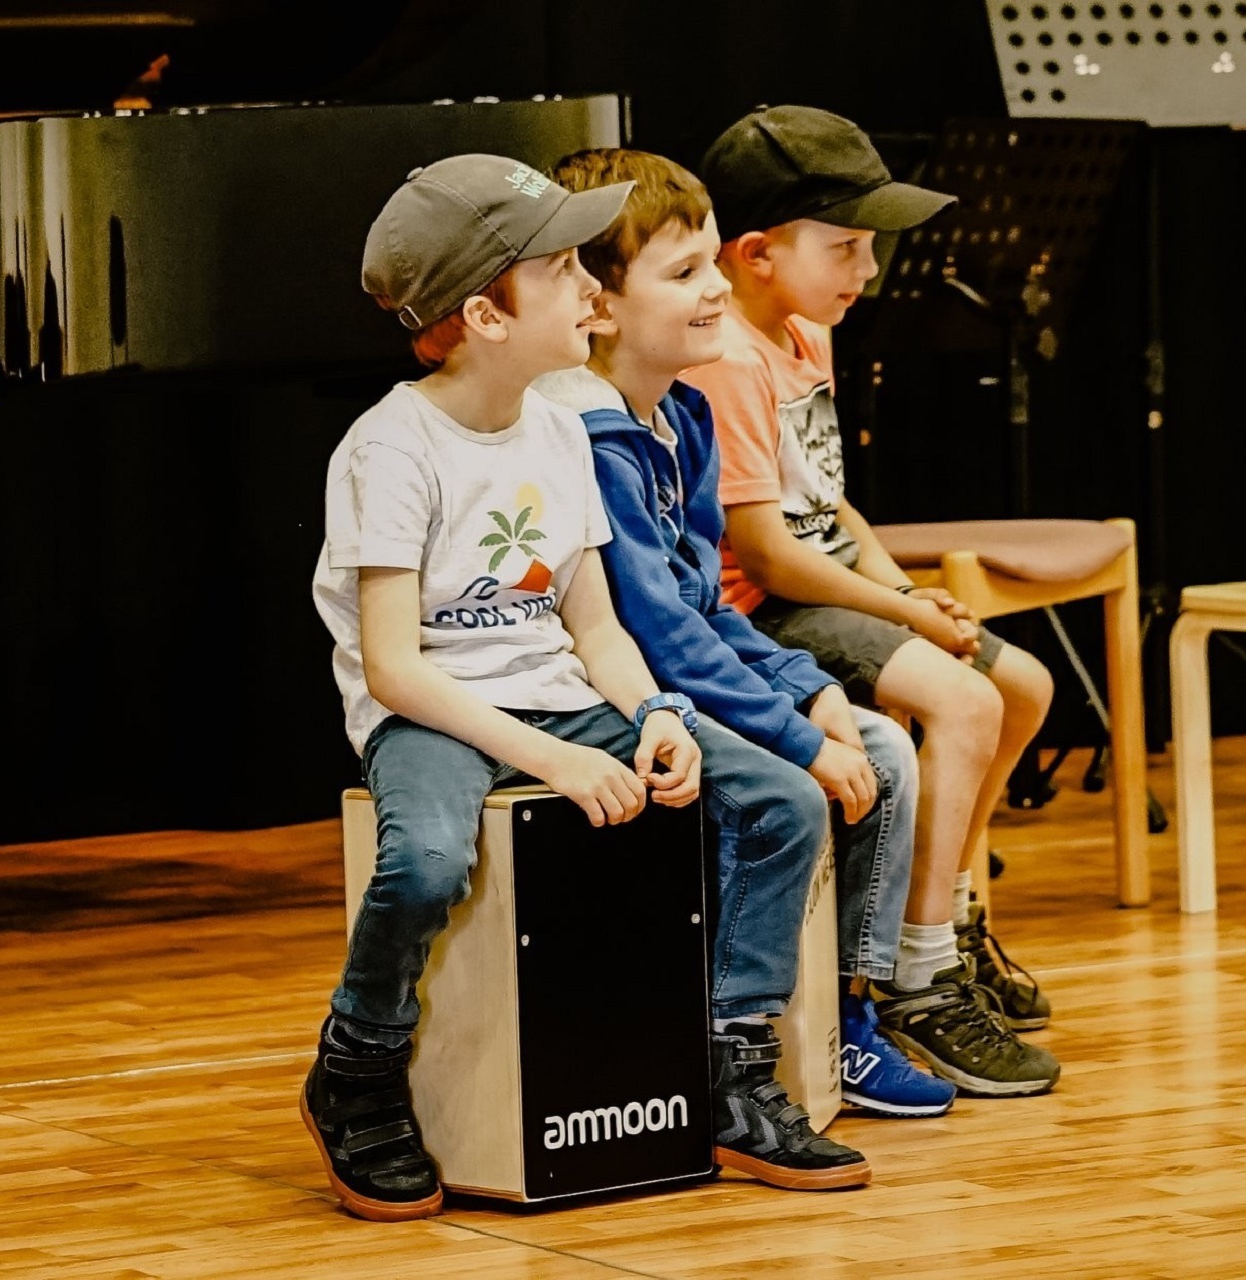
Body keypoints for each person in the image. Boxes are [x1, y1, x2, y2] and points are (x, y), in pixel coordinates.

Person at [303, 154, 869, 1222]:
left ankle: (730, 1067)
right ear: (484, 312)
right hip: (438, 709)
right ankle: (360, 1059)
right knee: (426, 855)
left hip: (564, 692)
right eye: (563, 270)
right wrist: (553, 755)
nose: (591, 291)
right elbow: (394, 666)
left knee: (780, 798)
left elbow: (596, 624)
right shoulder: (389, 446)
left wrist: (655, 712)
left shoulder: (564, 427)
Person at [540, 145, 1055, 1107]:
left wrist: (809, 687)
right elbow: (673, 619)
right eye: (687, 274)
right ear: (599, 304)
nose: (713, 296)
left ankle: (857, 1010)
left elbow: (703, 601)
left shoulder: (680, 413)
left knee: (896, 747)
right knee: (814, 781)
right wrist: (792, 721)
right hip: (621, 695)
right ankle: (763, 1044)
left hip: (711, 660)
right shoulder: (597, 432)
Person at [686, 106, 1060, 1091]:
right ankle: (915, 976)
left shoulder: (807, 328)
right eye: (845, 247)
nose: (868, 272)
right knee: (965, 700)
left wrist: (904, 585)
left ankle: (955, 909)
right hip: (764, 611)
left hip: (833, 585)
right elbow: (765, 551)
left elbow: (823, 495)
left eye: (871, 247)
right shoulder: (724, 356)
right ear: (756, 252)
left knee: (1022, 683)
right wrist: (900, 614)